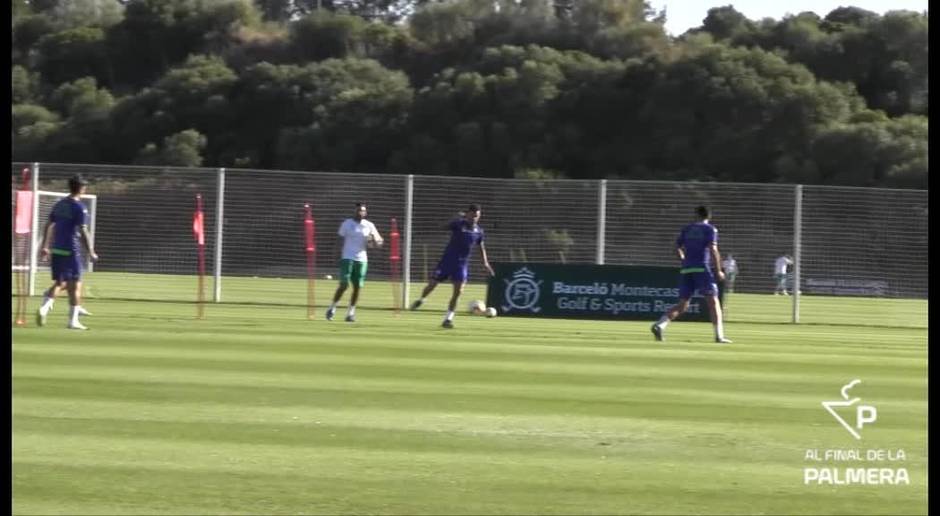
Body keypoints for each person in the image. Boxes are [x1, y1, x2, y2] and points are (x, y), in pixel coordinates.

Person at [651, 205, 731, 344]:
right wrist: (718, 270)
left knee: (683, 304)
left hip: (687, 269)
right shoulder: (710, 229)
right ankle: (719, 336)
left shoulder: (687, 229)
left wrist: (683, 260)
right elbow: (713, 249)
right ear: (709, 216)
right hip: (702, 268)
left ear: (696, 215)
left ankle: (660, 325)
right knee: (713, 301)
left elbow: (676, 247)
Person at [410, 204, 495, 329]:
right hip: (446, 262)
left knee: (458, 293)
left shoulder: (479, 232)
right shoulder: (458, 224)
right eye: (473, 215)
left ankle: (448, 319)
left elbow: (481, 248)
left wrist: (485, 263)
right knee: (431, 286)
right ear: (468, 214)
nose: (475, 218)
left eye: (477, 216)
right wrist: (453, 219)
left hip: (461, 266)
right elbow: (442, 227)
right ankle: (422, 299)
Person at [36, 175, 98, 330]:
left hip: (57, 248)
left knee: (61, 282)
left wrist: (45, 246)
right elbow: (83, 231)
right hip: (71, 249)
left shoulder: (59, 204)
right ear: (81, 188)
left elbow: (49, 224)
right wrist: (90, 251)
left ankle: (46, 307)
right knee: (75, 284)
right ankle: (73, 321)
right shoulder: (79, 208)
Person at [326, 202, 383, 322]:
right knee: (344, 285)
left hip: (362, 260)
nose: (360, 212)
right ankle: (332, 308)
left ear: (365, 213)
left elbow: (379, 242)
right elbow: (339, 240)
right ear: (354, 211)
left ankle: (350, 313)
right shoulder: (347, 224)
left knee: (357, 287)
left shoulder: (369, 225)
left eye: (363, 210)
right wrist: (335, 255)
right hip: (347, 258)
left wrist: (374, 241)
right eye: (358, 210)